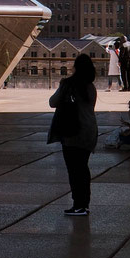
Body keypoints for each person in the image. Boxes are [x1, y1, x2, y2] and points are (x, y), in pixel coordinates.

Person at [49, 52, 97, 216]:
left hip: (72, 130)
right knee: (83, 168)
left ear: (75, 68)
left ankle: (78, 204)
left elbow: (52, 102)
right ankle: (84, 204)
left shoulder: (68, 84)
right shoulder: (91, 87)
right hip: (89, 131)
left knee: (74, 170)